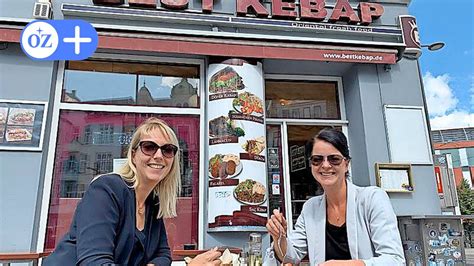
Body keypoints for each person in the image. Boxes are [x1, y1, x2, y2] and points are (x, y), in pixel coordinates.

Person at [44, 118, 221, 265]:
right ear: (134, 154)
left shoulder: (153, 202)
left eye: (167, 150)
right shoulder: (106, 190)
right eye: (149, 147)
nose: (158, 156)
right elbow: (95, 263)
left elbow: (163, 256)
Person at [266, 128, 405, 266]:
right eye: (317, 159)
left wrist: (350, 265)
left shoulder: (372, 199)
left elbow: (394, 260)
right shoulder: (310, 208)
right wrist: (279, 237)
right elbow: (291, 257)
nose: (325, 165)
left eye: (334, 159)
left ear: (346, 164)